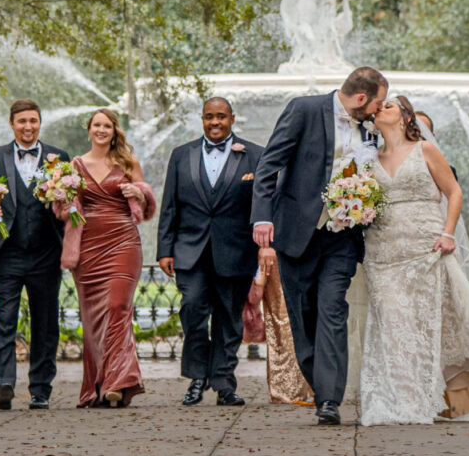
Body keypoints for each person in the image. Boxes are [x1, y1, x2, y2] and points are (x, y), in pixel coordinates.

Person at [354, 96, 469, 425]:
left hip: (426, 248)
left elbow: (454, 192)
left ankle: (435, 398)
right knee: (392, 325)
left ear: (407, 117)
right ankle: (397, 399)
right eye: (377, 108)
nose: (380, 110)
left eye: (388, 106)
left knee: (426, 324)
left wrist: (448, 233)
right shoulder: (368, 160)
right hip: (383, 251)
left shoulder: (426, 150)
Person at [251, 66, 388, 426]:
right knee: (303, 318)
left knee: (332, 311)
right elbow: (269, 165)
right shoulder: (305, 110)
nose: (379, 111)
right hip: (298, 233)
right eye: (378, 103)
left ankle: (329, 400)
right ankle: (319, 381)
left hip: (342, 238)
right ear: (361, 99)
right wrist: (262, 218)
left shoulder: (370, 130)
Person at [157, 96, 261, 407]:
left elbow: (262, 204)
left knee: (229, 318)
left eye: (221, 117)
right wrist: (165, 248)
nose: (215, 122)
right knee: (192, 310)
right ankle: (196, 377)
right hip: (190, 250)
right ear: (202, 119)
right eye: (208, 117)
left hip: (236, 251)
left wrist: (264, 248)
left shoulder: (255, 155)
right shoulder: (181, 155)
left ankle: (224, 383)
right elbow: (169, 205)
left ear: (232, 118)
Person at [0, 99, 72, 411]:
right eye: (22, 122)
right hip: (6, 254)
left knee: (45, 325)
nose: (28, 127)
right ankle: (4, 383)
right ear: (11, 124)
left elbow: (68, 208)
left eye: (33, 121)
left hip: (46, 254)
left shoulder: (59, 159)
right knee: (4, 320)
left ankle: (40, 389)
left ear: (40, 122)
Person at [63, 108, 155, 407]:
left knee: (118, 307)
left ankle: (119, 381)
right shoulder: (75, 165)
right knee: (93, 320)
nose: (101, 130)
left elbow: (146, 204)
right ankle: (99, 384)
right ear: (88, 129)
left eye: (107, 126)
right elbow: (66, 210)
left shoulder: (128, 162)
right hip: (88, 246)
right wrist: (60, 199)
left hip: (123, 242)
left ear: (114, 131)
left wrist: (137, 193)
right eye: (97, 125)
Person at [251, 246, 314, 405]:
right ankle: (288, 387)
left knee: (313, 310)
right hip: (278, 244)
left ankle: (317, 385)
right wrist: (265, 245)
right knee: (282, 315)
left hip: (316, 241)